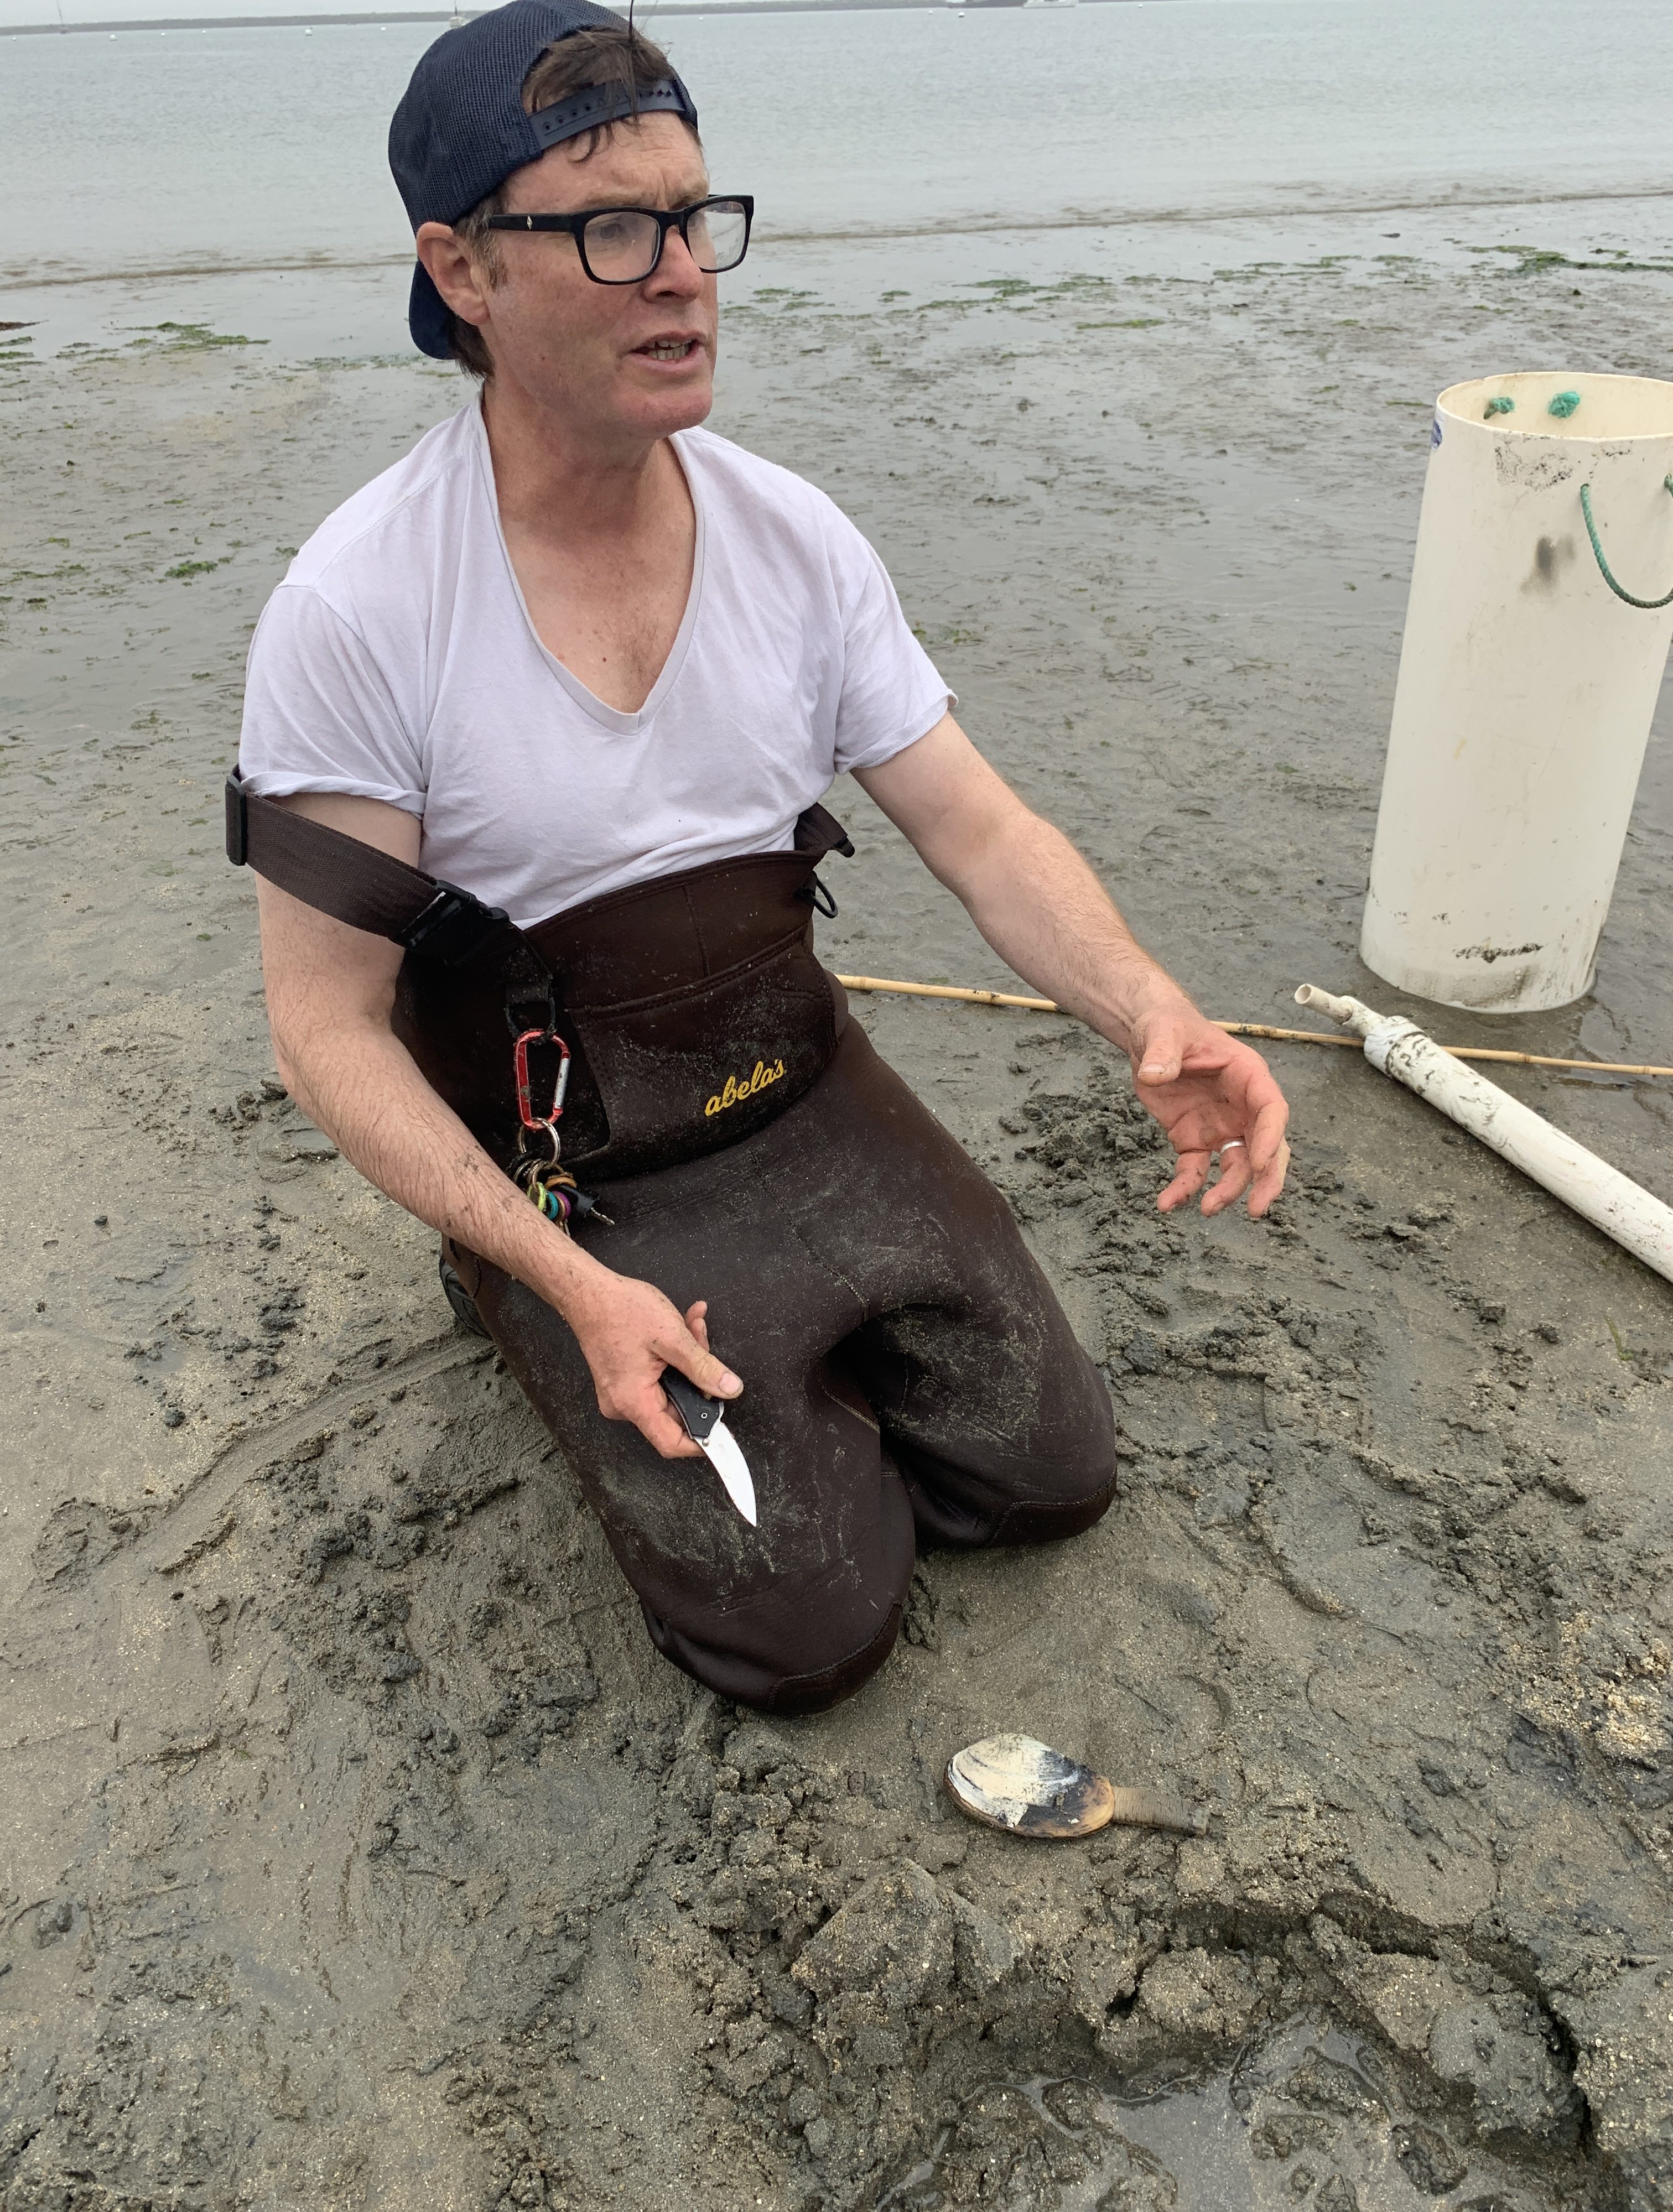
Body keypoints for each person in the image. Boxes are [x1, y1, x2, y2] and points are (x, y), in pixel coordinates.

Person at [232, 0, 1290, 1714]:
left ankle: (785, 1353)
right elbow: (323, 1028)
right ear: (463, 269)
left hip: (799, 1084)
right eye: (609, 226)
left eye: (696, 215)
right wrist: (570, 1281)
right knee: (802, 1632)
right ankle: (500, 1291)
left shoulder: (795, 539)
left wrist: (1150, 1014)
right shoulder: (358, 608)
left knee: (1048, 1479)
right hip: (575, 1173)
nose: (682, 274)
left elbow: (979, 824)